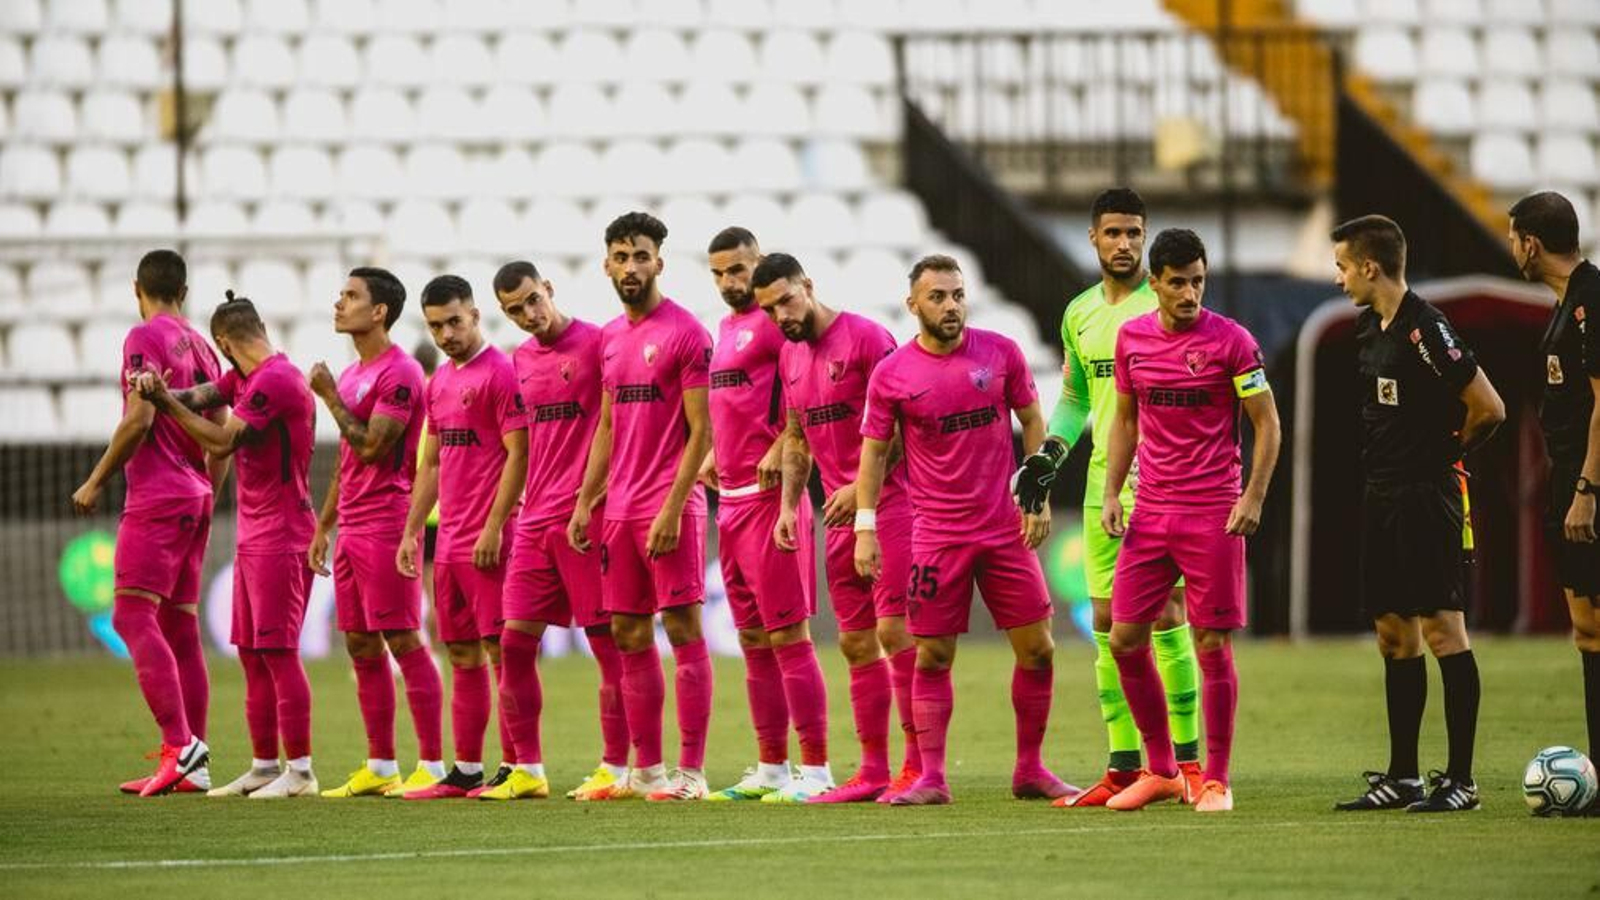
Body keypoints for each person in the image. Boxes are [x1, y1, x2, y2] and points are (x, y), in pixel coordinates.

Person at [855, 254, 1074, 806]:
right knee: (931, 656)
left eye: (957, 295)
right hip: (937, 535)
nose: (950, 306)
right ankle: (931, 777)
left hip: (1003, 529)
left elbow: (1033, 421)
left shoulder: (1000, 352)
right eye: (938, 297)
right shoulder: (893, 374)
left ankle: (1030, 769)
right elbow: (874, 455)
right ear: (913, 305)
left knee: (1040, 649)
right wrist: (866, 526)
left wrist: (1036, 492)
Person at [1015, 188, 1203, 807]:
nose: (1124, 243)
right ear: (1093, 238)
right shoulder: (1078, 314)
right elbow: (1074, 402)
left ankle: (1187, 762)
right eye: (1113, 233)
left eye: (1134, 233)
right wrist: (1050, 457)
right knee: (1104, 624)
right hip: (1104, 486)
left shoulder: (1172, 305)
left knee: (1166, 618)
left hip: (1169, 486)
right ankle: (1125, 764)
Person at [1098, 229, 1281, 813]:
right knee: (1125, 641)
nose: (1189, 293)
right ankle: (1163, 770)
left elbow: (1267, 424)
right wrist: (1111, 494)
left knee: (1211, 643)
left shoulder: (1232, 342)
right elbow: (1125, 421)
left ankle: (1217, 780)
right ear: (1154, 283)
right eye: (1177, 282)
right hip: (1150, 512)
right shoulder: (1132, 340)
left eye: (1197, 281)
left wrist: (1252, 496)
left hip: (1212, 513)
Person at [1329, 215, 1505, 813]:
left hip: (1427, 497)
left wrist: (1444, 455)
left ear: (1370, 267)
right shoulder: (1367, 329)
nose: (1340, 278)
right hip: (1381, 496)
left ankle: (1462, 780)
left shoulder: (1426, 330)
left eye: (1343, 267)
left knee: (1441, 630)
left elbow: (1489, 407)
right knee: (1392, 635)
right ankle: (1403, 776)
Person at [136, 293, 320, 799]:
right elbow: (201, 397)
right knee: (250, 652)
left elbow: (221, 441)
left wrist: (162, 402)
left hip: (283, 534)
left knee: (279, 653)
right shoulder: (242, 378)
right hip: (255, 531)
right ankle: (264, 766)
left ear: (223, 342)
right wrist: (160, 387)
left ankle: (301, 772)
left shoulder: (277, 380)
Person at [755, 252, 923, 804]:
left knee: (896, 634)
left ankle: (918, 767)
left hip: (893, 509)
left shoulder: (868, 340)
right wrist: (787, 506)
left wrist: (861, 488)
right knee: (854, 643)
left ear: (807, 285)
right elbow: (797, 437)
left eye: (786, 299)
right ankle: (873, 770)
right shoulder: (789, 356)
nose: (781, 314)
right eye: (769, 309)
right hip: (835, 519)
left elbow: (904, 428)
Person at [568, 212, 715, 801]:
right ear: (606, 263)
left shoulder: (686, 333)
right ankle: (646, 770)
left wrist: (675, 508)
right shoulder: (609, 337)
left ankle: (692, 774)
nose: (632, 267)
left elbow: (701, 431)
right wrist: (586, 500)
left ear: (660, 261)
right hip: (619, 510)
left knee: (682, 630)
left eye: (642, 256)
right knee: (628, 633)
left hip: (669, 504)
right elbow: (606, 424)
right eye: (621, 257)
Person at [74, 249, 223, 797]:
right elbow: (222, 425)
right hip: (196, 493)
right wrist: (208, 491)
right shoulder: (203, 345)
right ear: (183, 290)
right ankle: (197, 760)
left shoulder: (144, 338)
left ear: (138, 287)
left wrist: (94, 480)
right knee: (180, 627)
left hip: (158, 494)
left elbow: (138, 419)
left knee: (132, 615)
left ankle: (179, 746)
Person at [486, 259, 628, 801]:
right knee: (514, 642)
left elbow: (616, 426)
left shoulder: (597, 344)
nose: (528, 315)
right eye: (514, 310)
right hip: (533, 520)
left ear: (548, 288)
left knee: (606, 645)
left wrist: (593, 500)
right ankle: (528, 769)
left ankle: (615, 769)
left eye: (531, 300)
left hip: (583, 519)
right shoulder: (519, 359)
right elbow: (522, 447)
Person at [699, 230, 831, 803]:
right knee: (751, 638)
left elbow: (804, 390)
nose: (732, 282)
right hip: (727, 501)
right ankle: (771, 766)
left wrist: (787, 439)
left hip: (770, 501)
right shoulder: (727, 329)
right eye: (721, 273)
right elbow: (734, 402)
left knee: (788, 636)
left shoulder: (781, 324)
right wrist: (715, 452)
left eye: (740, 270)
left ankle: (817, 770)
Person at [305, 268, 446, 800]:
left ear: (380, 311)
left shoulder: (401, 372)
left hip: (388, 521)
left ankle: (431, 764)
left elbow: (372, 448)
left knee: (404, 639)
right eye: (340, 294)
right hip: (353, 526)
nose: (339, 303)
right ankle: (381, 763)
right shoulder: (352, 375)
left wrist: (326, 398)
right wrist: (324, 524)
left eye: (351, 296)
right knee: (360, 644)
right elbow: (346, 460)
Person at [397, 275, 528, 799]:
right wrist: (411, 530)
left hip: (489, 537)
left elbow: (519, 453)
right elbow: (431, 463)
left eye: (455, 321)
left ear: (475, 315)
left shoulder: (500, 374)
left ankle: (517, 768)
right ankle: (467, 769)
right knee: (462, 655)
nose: (447, 334)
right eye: (436, 326)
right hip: (448, 540)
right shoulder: (439, 383)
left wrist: (496, 524)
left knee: (502, 652)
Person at [1509, 192, 1600, 809]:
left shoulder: (1592, 299)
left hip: (1587, 484)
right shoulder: (1567, 303)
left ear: (1532, 244)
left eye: (1514, 237)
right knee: (1589, 631)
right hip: (1570, 477)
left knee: (1596, 629)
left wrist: (1588, 491)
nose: (1512, 247)